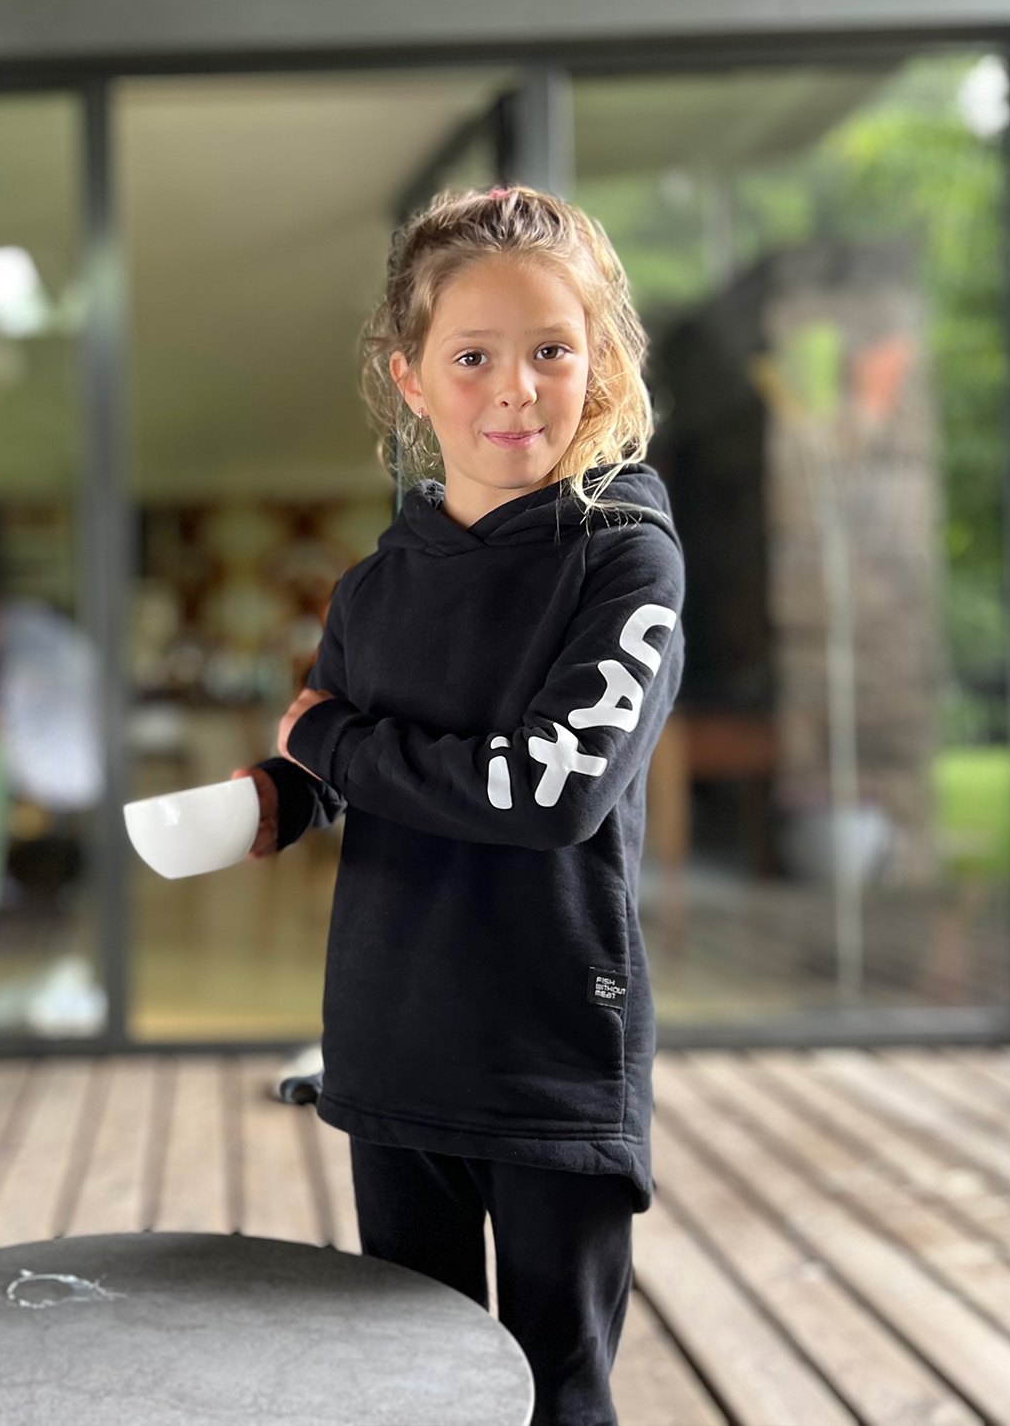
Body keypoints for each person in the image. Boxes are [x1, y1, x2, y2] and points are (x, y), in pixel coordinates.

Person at [239, 186, 684, 1426]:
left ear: (598, 364)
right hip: (390, 1044)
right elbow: (344, 767)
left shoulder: (625, 559)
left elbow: (550, 789)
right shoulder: (370, 590)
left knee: (555, 1397)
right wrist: (281, 794)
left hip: (551, 1057)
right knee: (416, 1398)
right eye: (472, 356)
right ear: (411, 379)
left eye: (551, 350)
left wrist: (326, 740)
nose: (514, 389)